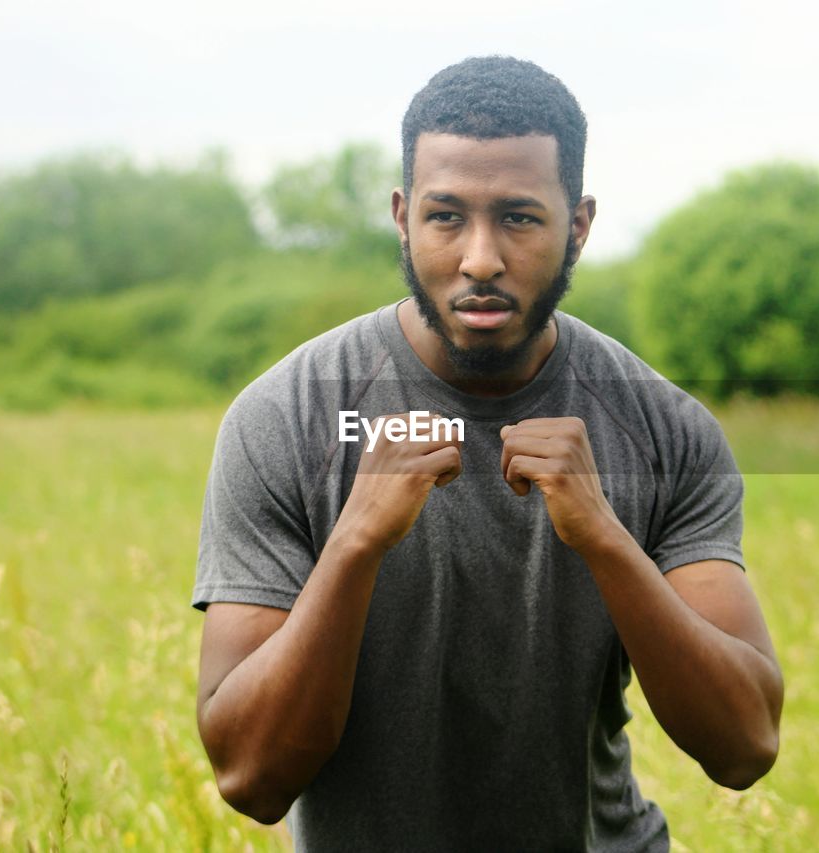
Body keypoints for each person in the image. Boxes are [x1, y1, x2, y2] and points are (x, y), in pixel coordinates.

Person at [192, 55, 783, 851]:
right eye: (445, 217)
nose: (479, 258)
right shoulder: (285, 417)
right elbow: (249, 778)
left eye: (518, 217)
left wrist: (604, 536)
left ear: (578, 223)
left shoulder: (663, 427)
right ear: (401, 216)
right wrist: (356, 541)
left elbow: (745, 746)